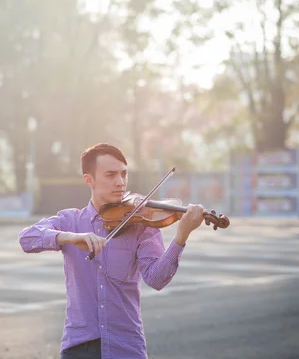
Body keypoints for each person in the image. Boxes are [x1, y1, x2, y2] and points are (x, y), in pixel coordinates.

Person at [18, 143, 228, 359]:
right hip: (80, 346)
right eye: (110, 175)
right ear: (89, 180)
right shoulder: (71, 221)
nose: (120, 182)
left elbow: (156, 279)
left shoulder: (141, 222)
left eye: (123, 174)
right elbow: (27, 238)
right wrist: (71, 237)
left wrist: (181, 236)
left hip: (126, 347)